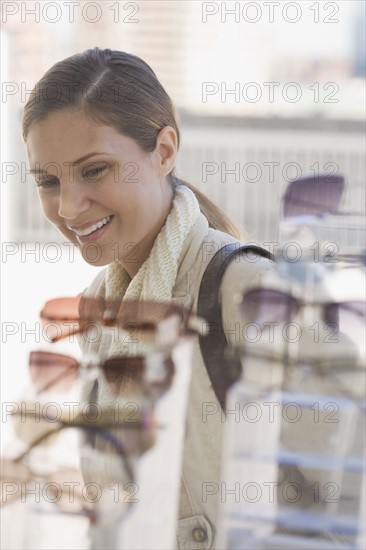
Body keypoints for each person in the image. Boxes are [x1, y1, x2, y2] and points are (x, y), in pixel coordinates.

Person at [23, 47, 273, 549]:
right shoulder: (99, 311)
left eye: (94, 170)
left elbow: (334, 491)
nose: (69, 206)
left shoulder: (245, 289)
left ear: (164, 151)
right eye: (48, 181)